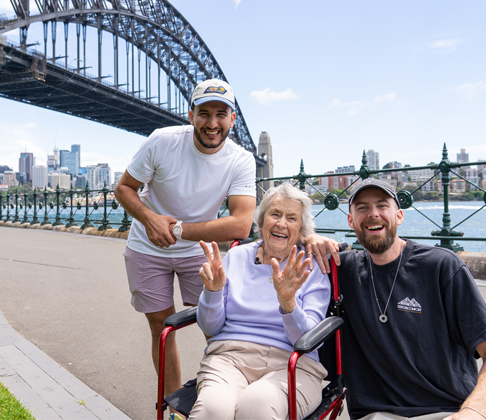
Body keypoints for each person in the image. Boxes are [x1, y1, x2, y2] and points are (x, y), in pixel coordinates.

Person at [115, 79, 340, 416]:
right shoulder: (162, 142)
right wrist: (150, 219)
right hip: (148, 245)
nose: (212, 123)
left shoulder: (240, 160)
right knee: (162, 326)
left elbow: (239, 224)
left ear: (232, 119)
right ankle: (182, 404)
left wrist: (176, 228)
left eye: (221, 114)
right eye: (204, 113)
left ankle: (237, 388)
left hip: (197, 248)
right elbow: (124, 189)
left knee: (218, 329)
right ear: (190, 115)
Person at [337, 178, 486, 420]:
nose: (373, 214)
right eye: (362, 208)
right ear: (350, 221)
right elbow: (282, 245)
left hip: (449, 411)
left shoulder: (440, 266)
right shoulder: (343, 269)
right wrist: (312, 240)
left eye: (382, 205)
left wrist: (474, 411)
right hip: (378, 414)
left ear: (399, 216)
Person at [189, 183, 330, 420]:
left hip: (293, 364)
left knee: (257, 406)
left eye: (291, 218)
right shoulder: (237, 255)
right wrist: (212, 293)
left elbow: (308, 342)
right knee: (212, 411)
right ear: (262, 220)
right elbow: (210, 328)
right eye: (275, 214)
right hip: (229, 358)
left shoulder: (311, 265)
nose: (281, 223)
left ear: (301, 229)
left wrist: (288, 303)